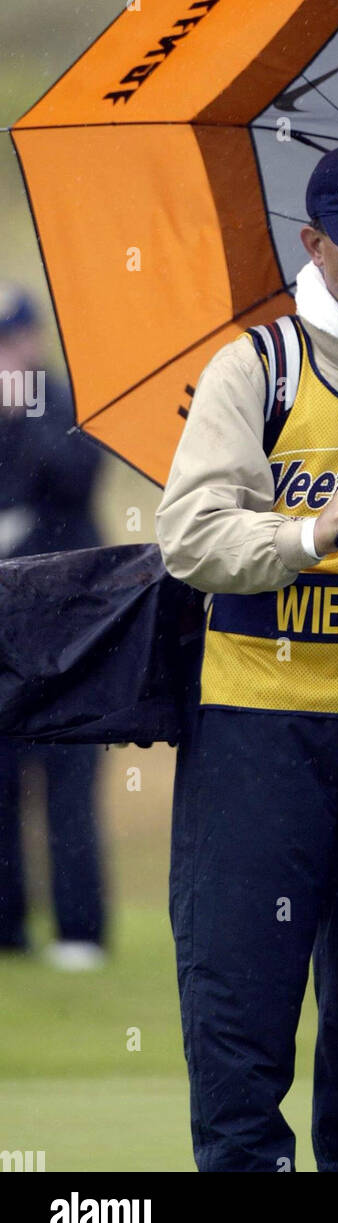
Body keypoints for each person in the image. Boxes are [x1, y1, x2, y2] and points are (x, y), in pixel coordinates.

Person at [155, 138, 338, 1172]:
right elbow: (188, 538)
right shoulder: (256, 364)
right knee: (241, 999)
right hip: (252, 727)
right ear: (312, 243)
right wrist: (309, 536)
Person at [0, 283, 107, 970]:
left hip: (70, 621)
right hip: (5, 627)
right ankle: (8, 927)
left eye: (15, 340)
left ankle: (80, 932)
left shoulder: (61, 404)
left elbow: (76, 476)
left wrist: (22, 420)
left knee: (69, 776)